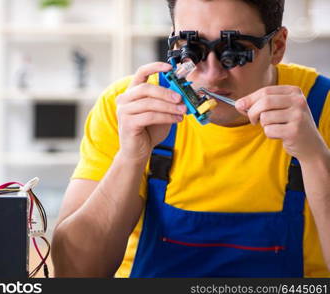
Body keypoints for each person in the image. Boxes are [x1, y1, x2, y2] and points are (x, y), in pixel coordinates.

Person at [51, 0, 330, 277]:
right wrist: (130, 157)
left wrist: (316, 159)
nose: (211, 75)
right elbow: (76, 274)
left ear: (277, 46)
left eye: (235, 50)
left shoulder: (323, 108)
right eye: (190, 48)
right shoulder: (128, 107)